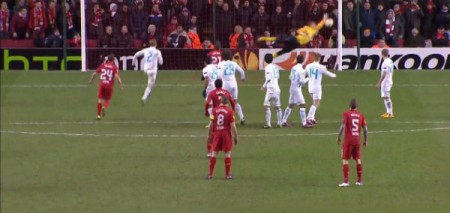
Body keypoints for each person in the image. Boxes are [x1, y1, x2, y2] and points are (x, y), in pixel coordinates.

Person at [257, 14, 329, 58]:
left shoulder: (315, 29)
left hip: (298, 44)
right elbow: (298, 31)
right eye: (312, 24)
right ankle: (267, 39)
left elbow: (321, 24)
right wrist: (303, 33)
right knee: (282, 38)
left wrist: (325, 18)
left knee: (286, 50)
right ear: (310, 25)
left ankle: (273, 56)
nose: (314, 25)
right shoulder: (307, 28)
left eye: (314, 24)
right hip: (295, 39)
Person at [336, 99, 368, 187]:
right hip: (357, 140)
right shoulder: (361, 115)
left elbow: (342, 126)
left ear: (349, 106)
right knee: (358, 159)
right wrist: (365, 140)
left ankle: (346, 182)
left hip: (348, 140)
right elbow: (365, 129)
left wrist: (338, 137)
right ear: (357, 106)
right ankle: (359, 180)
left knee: (345, 159)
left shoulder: (346, 114)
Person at [206, 96, 239, 180]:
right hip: (226, 133)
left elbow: (211, 124)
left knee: (214, 152)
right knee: (227, 153)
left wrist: (209, 135)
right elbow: (233, 126)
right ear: (227, 103)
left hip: (217, 133)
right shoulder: (230, 111)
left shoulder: (214, 110)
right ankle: (227, 174)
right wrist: (236, 136)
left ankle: (210, 174)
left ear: (220, 101)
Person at [205, 79, 235, 157]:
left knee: (211, 132)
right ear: (222, 85)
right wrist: (233, 111)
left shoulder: (212, 93)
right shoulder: (226, 92)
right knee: (226, 131)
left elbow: (207, 103)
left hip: (215, 114)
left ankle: (209, 152)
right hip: (225, 114)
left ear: (215, 85)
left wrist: (206, 111)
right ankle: (226, 150)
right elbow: (232, 102)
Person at [88, 54, 124, 120]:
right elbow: (116, 76)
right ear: (113, 60)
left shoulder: (103, 65)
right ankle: (104, 107)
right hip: (109, 85)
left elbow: (95, 73)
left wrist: (91, 80)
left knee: (99, 100)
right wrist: (121, 85)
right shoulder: (114, 67)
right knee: (107, 99)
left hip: (102, 84)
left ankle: (98, 115)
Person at [305, 52, 336, 125]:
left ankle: (312, 118)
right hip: (317, 87)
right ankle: (308, 117)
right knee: (317, 103)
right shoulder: (321, 67)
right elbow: (328, 74)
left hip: (310, 87)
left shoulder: (308, 66)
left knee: (314, 102)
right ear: (319, 58)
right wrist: (334, 75)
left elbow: (305, 74)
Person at [281, 55, 312, 128]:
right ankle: (304, 124)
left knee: (291, 105)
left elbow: (290, 77)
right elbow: (303, 81)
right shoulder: (301, 70)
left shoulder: (294, 68)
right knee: (303, 105)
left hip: (292, 88)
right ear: (303, 61)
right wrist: (309, 78)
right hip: (297, 90)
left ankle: (283, 121)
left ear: (297, 60)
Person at [218, 50, 246, 124]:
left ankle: (222, 118)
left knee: (222, 101)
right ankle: (242, 117)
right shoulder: (234, 63)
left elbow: (219, 75)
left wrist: (218, 81)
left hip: (225, 84)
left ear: (223, 56)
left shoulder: (221, 64)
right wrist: (242, 78)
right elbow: (242, 71)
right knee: (235, 101)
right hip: (234, 84)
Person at [132, 39, 163, 105]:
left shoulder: (145, 50)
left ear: (149, 44)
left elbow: (136, 55)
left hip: (146, 70)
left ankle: (148, 93)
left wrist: (133, 63)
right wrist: (158, 60)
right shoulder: (157, 51)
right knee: (150, 85)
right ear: (156, 44)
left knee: (150, 82)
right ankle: (144, 98)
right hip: (153, 71)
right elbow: (161, 62)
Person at [260, 54, 282, 129]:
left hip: (271, 88)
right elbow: (278, 77)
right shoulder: (276, 67)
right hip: (277, 88)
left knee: (266, 105)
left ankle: (268, 124)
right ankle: (279, 123)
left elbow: (268, 78)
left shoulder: (267, 68)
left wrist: (264, 86)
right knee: (278, 106)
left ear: (265, 60)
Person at [376, 49, 394, 118]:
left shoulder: (385, 63)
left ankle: (390, 113)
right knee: (385, 97)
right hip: (388, 81)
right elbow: (392, 71)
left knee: (387, 97)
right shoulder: (390, 61)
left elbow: (384, 74)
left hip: (386, 82)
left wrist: (379, 83)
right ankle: (388, 112)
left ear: (382, 54)